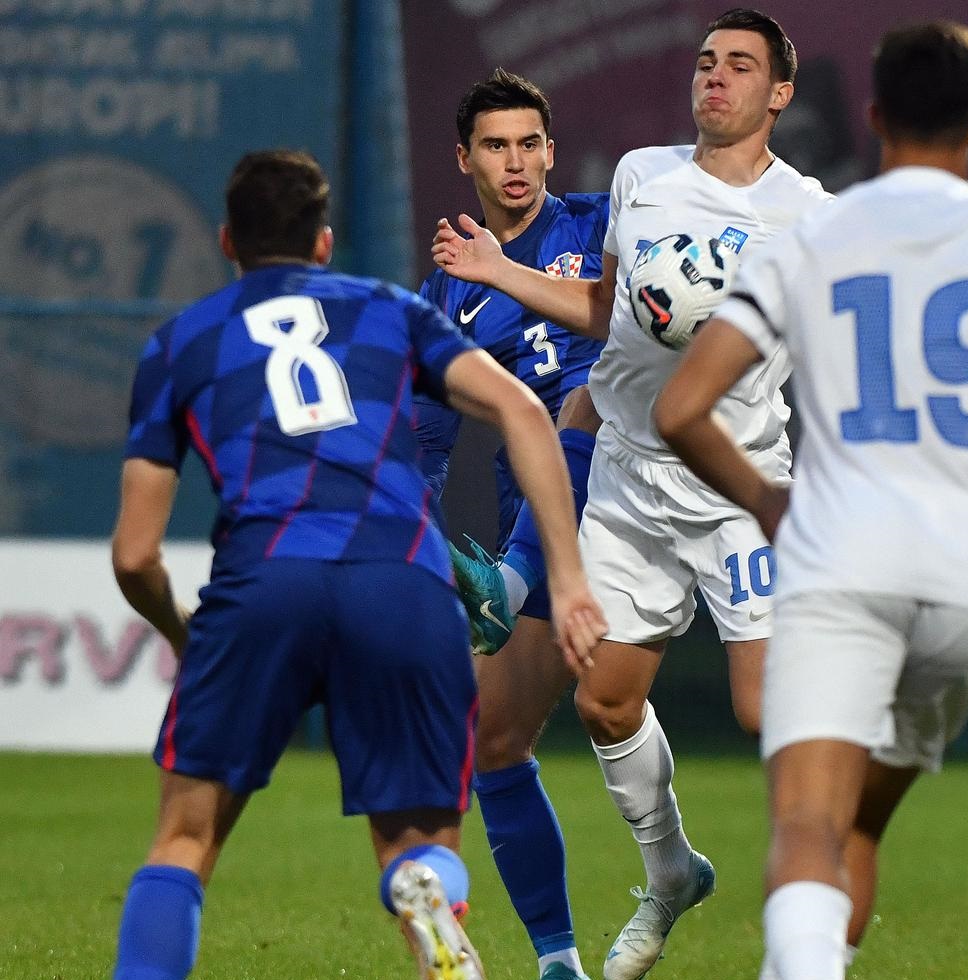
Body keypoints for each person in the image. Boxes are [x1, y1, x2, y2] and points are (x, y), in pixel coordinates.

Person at [653, 22, 968, 980]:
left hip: (847, 561)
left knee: (807, 820)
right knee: (857, 825)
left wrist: (766, 500)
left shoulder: (814, 238)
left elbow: (684, 408)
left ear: (876, 117)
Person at [109, 149, 606, 980]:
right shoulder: (387, 310)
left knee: (186, 837)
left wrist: (179, 631)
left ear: (227, 241)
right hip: (402, 581)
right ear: (327, 242)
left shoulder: (181, 341)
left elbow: (134, 555)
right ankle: (423, 886)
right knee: (418, 845)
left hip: (264, 576)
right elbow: (523, 410)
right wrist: (567, 573)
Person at [432, 10, 833, 978]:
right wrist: (497, 269)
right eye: (706, 62)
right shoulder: (640, 178)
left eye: (740, 66)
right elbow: (606, 315)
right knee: (606, 703)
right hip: (628, 478)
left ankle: (809, 940)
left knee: (764, 708)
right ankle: (669, 872)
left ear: (778, 92)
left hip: (738, 485)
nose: (716, 78)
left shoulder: (810, 209)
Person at [414, 68, 609, 980]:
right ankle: (559, 960)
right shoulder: (444, 294)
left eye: (531, 142)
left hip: (642, 484)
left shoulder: (603, 222)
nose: (518, 161)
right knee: (492, 742)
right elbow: (426, 439)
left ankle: (516, 581)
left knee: (589, 387)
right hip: (551, 517)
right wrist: (412, 536)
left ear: (553, 153)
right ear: (465, 160)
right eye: (496, 145)